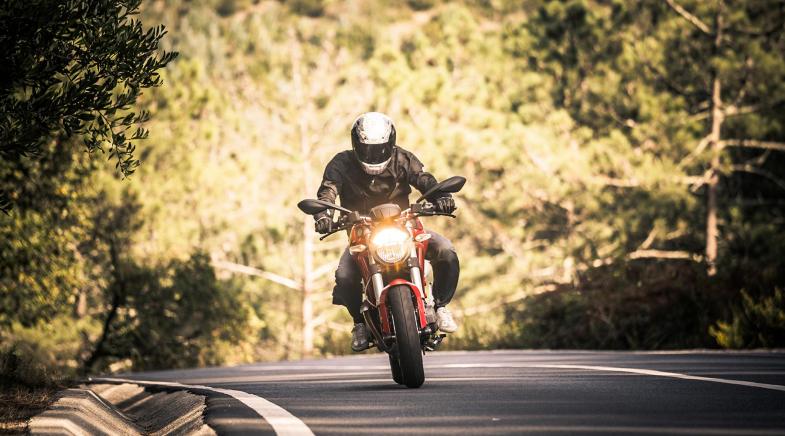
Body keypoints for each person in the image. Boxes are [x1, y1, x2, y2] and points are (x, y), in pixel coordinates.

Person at [315, 112, 460, 352]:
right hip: (362, 232)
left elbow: (423, 179)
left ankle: (440, 305)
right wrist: (323, 215)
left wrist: (441, 196)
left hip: (404, 225)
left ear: (390, 143)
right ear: (356, 144)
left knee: (446, 250)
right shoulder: (341, 163)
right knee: (345, 276)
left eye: (380, 149)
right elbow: (327, 191)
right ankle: (359, 322)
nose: (374, 155)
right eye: (368, 149)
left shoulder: (402, 159)